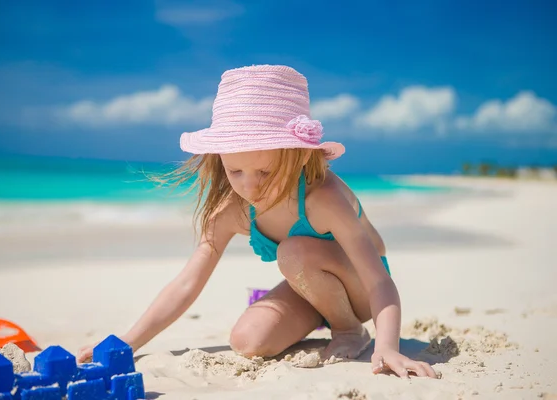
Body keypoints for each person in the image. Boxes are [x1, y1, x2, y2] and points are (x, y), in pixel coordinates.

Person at [77, 65, 438, 379]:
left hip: (362, 290)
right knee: (247, 342)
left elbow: (379, 281)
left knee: (294, 252)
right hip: (308, 286)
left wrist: (388, 346)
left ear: (297, 158)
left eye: (265, 172)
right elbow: (187, 282)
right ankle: (321, 315)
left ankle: (348, 330)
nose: (250, 186)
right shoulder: (234, 209)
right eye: (235, 171)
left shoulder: (322, 198)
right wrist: (126, 343)